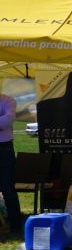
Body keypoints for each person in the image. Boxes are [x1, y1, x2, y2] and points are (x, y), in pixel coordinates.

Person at [0, 91, 20, 233]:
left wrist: (3, 123)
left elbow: (8, 121)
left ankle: (15, 225)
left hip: (4, 149)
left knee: (8, 189)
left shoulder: (8, 100)